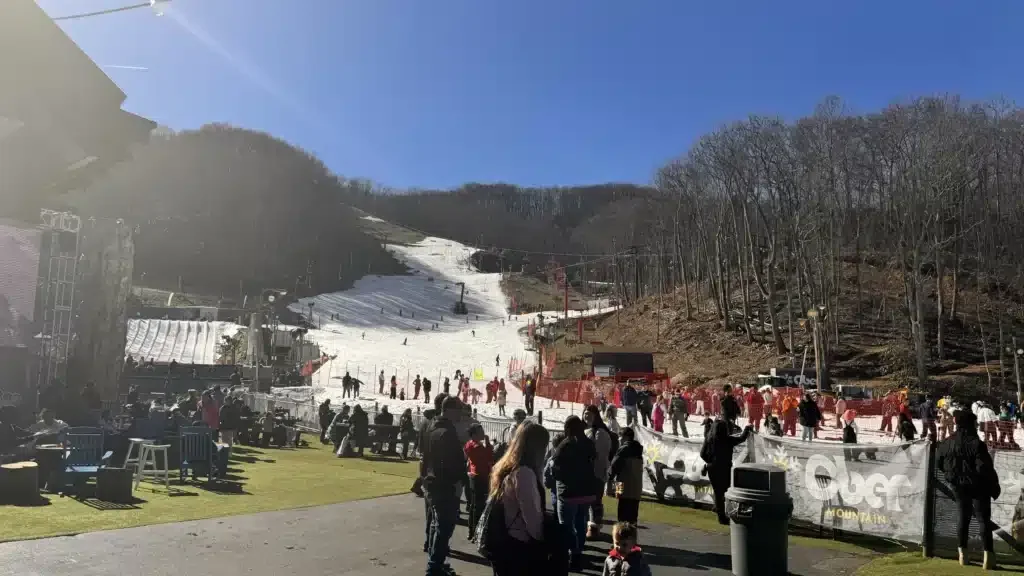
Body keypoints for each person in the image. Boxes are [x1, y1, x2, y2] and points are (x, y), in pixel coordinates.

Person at [936, 410, 1000, 570]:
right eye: (975, 422)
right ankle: (988, 558)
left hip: (958, 485)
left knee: (963, 518)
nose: (977, 425)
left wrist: (952, 476)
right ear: (970, 424)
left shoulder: (947, 442)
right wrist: (994, 486)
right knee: (983, 520)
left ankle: (963, 556)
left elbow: (939, 463)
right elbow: (984, 467)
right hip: (978, 486)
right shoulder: (977, 444)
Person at [487, 422, 552, 576]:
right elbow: (532, 516)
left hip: (507, 540)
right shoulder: (524, 474)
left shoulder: (507, 467)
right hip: (519, 544)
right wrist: (544, 543)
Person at [421, 396, 467, 576]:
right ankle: (434, 567)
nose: (461, 416)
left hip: (433, 483)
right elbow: (451, 462)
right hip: (445, 485)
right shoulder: (447, 432)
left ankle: (436, 564)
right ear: (449, 410)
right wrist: (458, 481)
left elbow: (425, 456)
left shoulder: (432, 427)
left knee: (436, 525)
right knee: (444, 527)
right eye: (458, 411)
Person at [551, 415, 599, 571]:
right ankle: (577, 554)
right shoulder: (589, 444)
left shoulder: (565, 445)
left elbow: (556, 469)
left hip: (568, 492)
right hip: (586, 491)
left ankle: (568, 554)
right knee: (580, 522)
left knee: (566, 525)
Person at [701, 400, 752, 525]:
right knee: (726, 491)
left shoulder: (709, 439)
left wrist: (710, 462)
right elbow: (741, 439)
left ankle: (718, 510)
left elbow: (702, 454)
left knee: (718, 492)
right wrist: (747, 429)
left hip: (712, 468)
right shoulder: (726, 440)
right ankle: (722, 516)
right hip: (723, 469)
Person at [584, 405, 617, 539]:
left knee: (595, 501)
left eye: (590, 415)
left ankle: (594, 527)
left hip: (596, 473)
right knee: (587, 500)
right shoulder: (587, 431)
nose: (587, 417)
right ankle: (590, 525)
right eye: (585, 414)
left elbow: (601, 455)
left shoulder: (601, 433)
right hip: (586, 473)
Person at [463, 423, 493, 542]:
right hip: (479, 476)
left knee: (475, 506)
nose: (483, 433)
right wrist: (489, 445)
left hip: (476, 475)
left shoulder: (471, 444)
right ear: (475, 434)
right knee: (478, 506)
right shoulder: (476, 446)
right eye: (480, 432)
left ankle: (473, 531)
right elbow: (489, 457)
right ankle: (475, 531)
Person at [609, 427, 643, 524]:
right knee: (632, 518)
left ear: (626, 437)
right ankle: (631, 537)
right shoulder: (638, 449)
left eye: (620, 436)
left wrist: (609, 482)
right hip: (636, 488)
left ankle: (621, 537)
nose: (619, 439)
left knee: (622, 516)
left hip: (622, 485)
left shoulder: (623, 449)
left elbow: (614, 468)